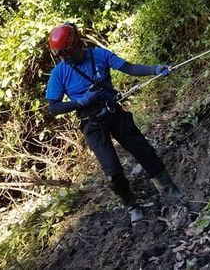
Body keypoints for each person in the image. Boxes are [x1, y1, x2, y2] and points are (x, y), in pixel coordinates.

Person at [45, 23, 182, 224]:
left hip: (113, 111)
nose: (65, 57)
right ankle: (132, 206)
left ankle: (171, 193)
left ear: (77, 43)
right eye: (60, 55)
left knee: (145, 152)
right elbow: (53, 107)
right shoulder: (60, 73)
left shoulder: (99, 55)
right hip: (91, 122)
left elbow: (129, 68)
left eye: (67, 52)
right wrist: (81, 102)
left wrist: (154, 69)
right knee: (112, 170)